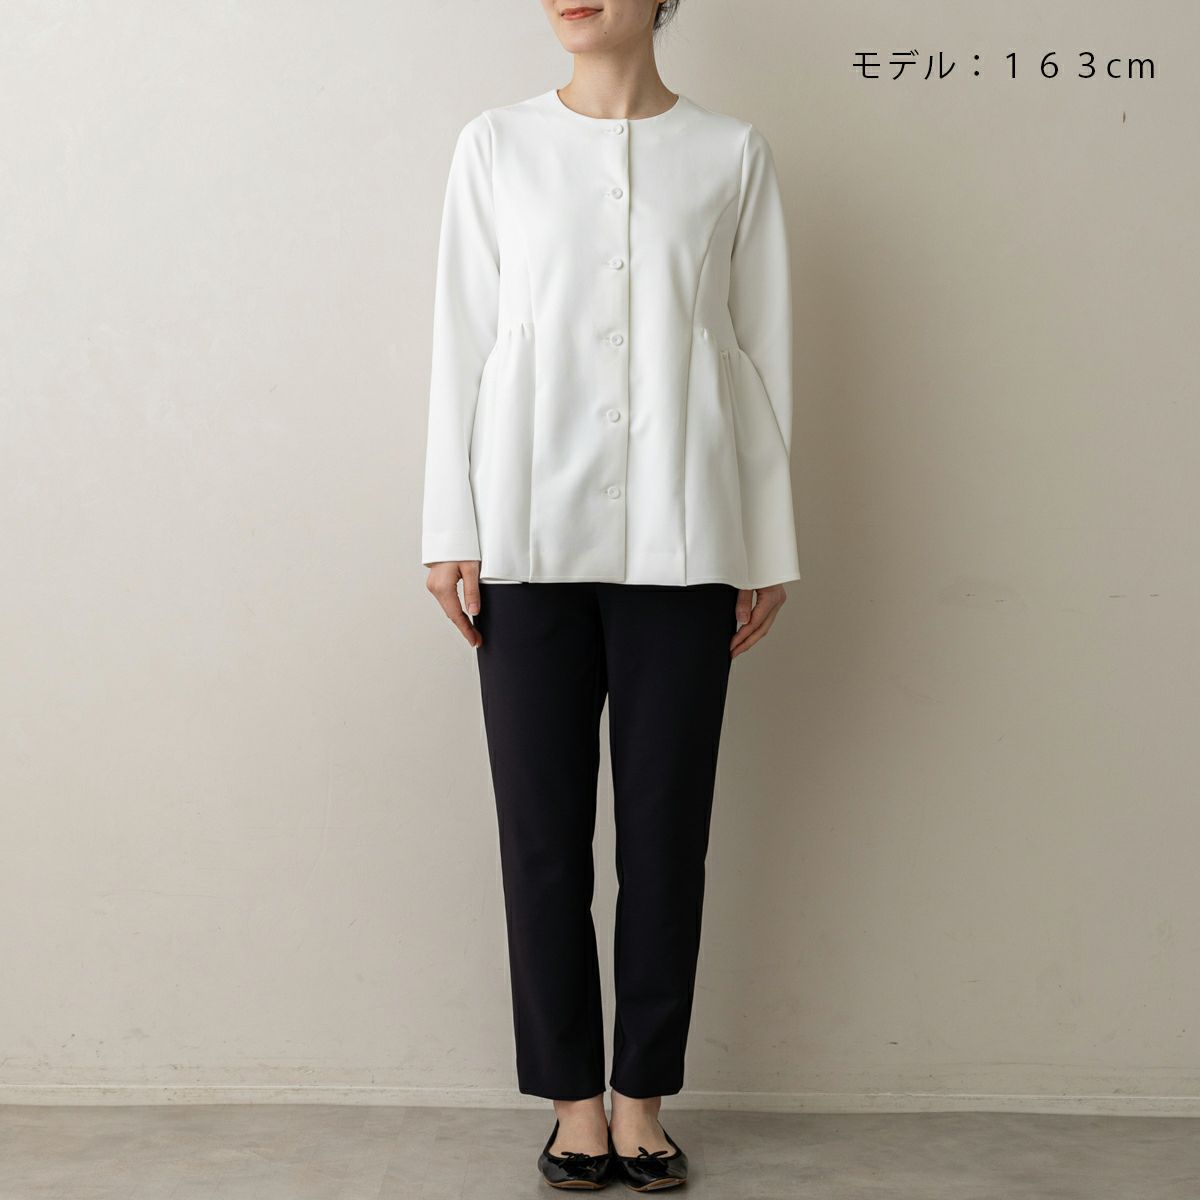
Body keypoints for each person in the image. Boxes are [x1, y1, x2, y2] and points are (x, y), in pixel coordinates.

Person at [421, 0, 801, 1189]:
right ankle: (572, 1104)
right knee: (542, 842)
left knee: (667, 840)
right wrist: (449, 527)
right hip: (524, 542)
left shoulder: (731, 154)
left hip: (686, 545)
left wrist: (766, 541)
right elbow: (462, 342)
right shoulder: (496, 145)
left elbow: (760, 353)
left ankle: (642, 1098)